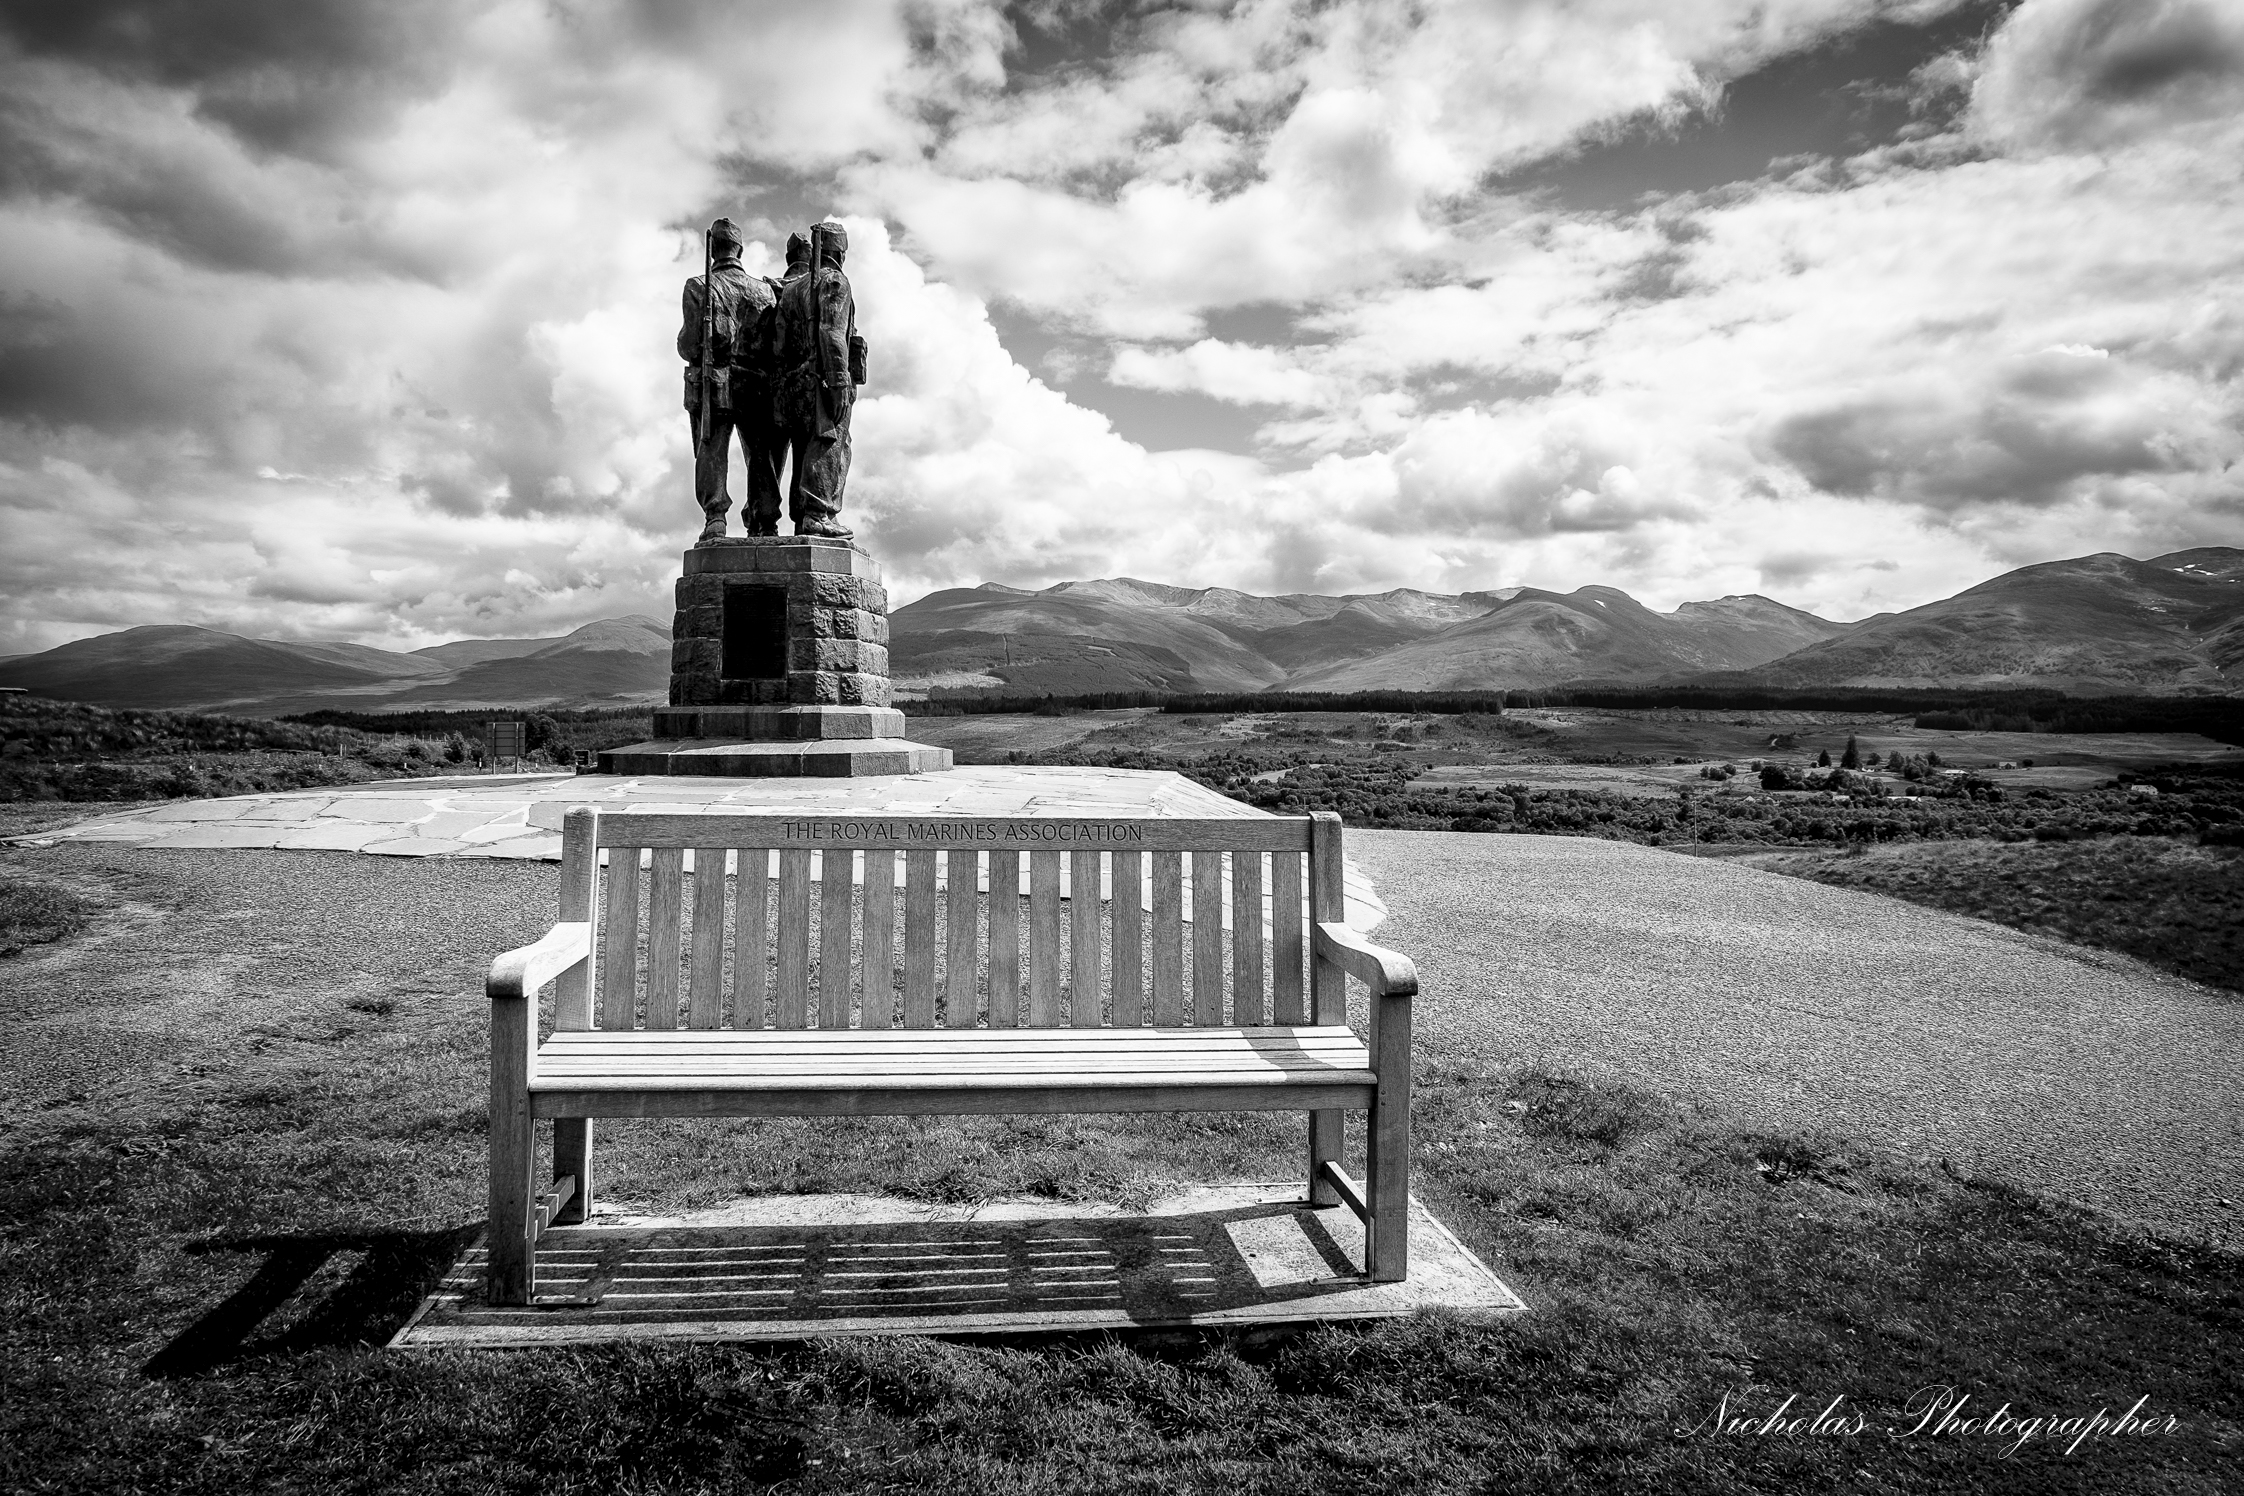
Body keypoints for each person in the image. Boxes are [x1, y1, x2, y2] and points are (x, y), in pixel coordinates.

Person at [677, 217, 781, 541]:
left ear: (713, 251)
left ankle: (715, 518)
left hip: (716, 380)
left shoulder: (699, 285)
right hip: (757, 383)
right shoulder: (765, 291)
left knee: (712, 449)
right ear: (739, 249)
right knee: (761, 455)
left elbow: (688, 344)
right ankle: (764, 522)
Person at [770, 219, 868, 538]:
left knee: (805, 446)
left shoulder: (794, 288)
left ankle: (805, 514)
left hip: (794, 384)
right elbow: (831, 332)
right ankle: (817, 513)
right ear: (840, 251)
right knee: (831, 441)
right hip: (823, 379)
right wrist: (839, 381)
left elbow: (779, 346)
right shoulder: (835, 281)